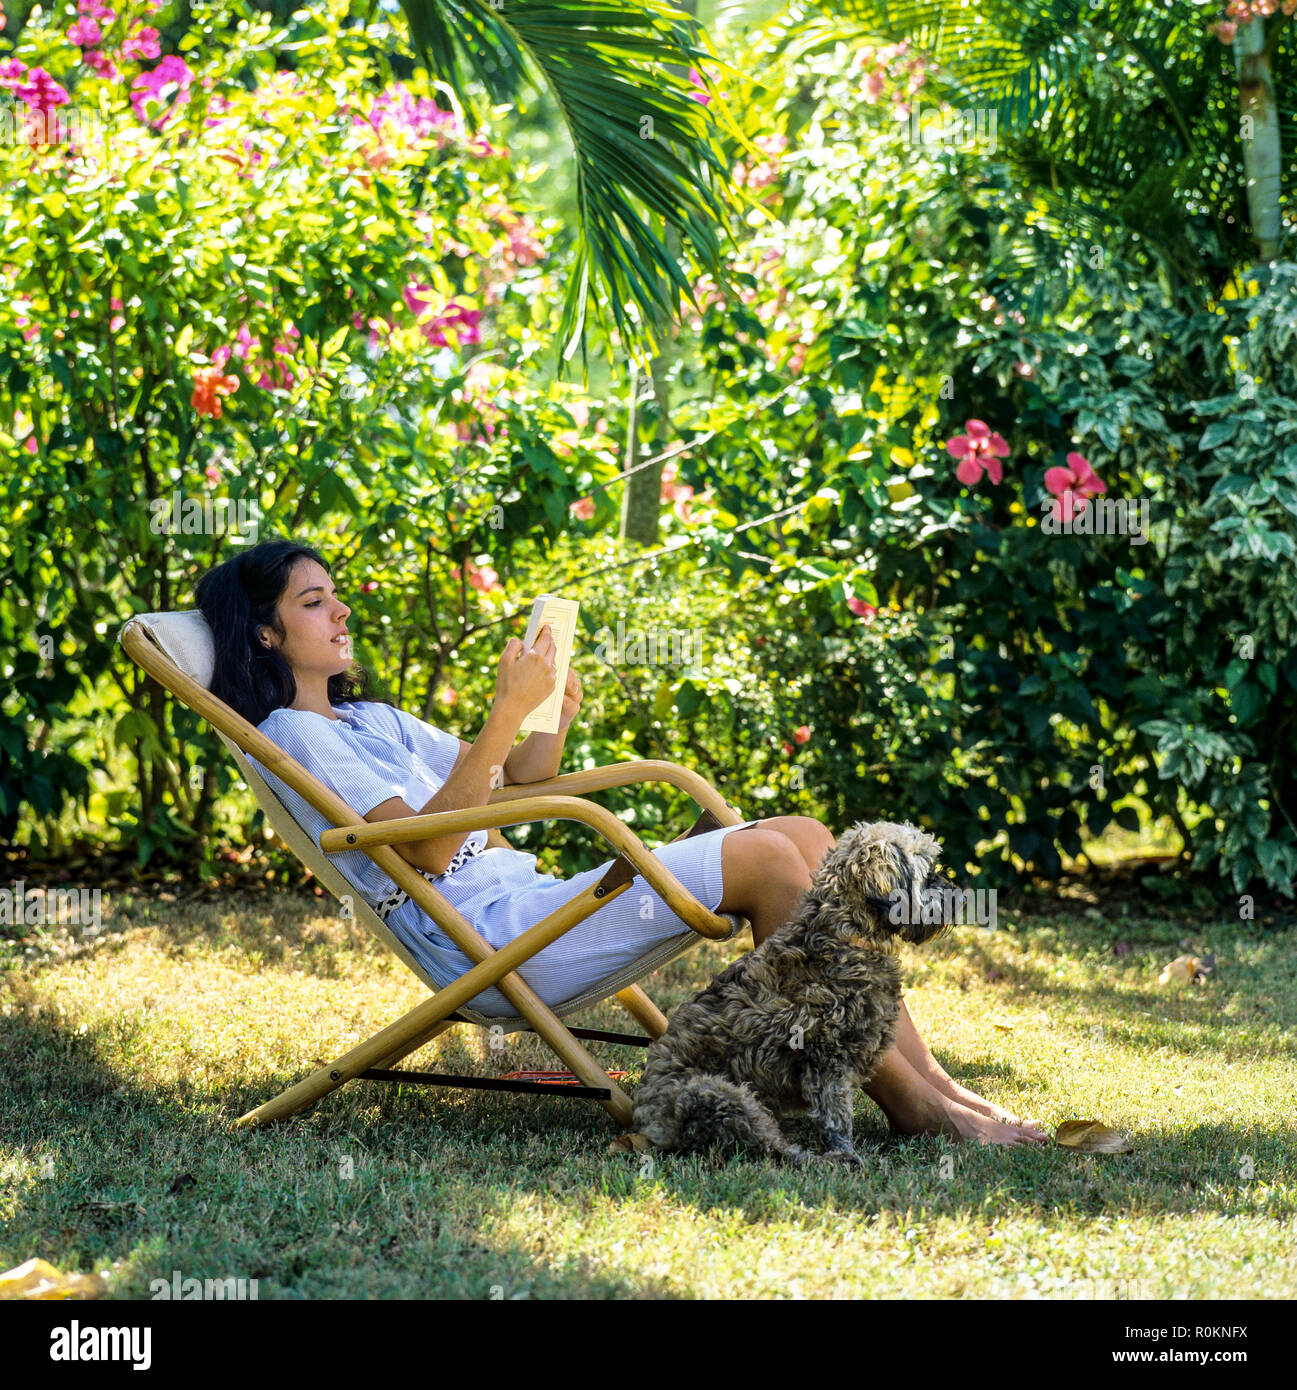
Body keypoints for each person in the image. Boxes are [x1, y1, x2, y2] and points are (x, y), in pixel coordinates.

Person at [196, 538, 1047, 1147]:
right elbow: (419, 852)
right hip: (493, 944)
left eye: (334, 593)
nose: (341, 609)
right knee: (770, 860)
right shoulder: (294, 735)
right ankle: (913, 1107)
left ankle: (936, 1086)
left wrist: (543, 717)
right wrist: (498, 714)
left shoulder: (368, 718)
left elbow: (513, 787)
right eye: (313, 602)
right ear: (265, 634)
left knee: (805, 837)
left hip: (527, 906)